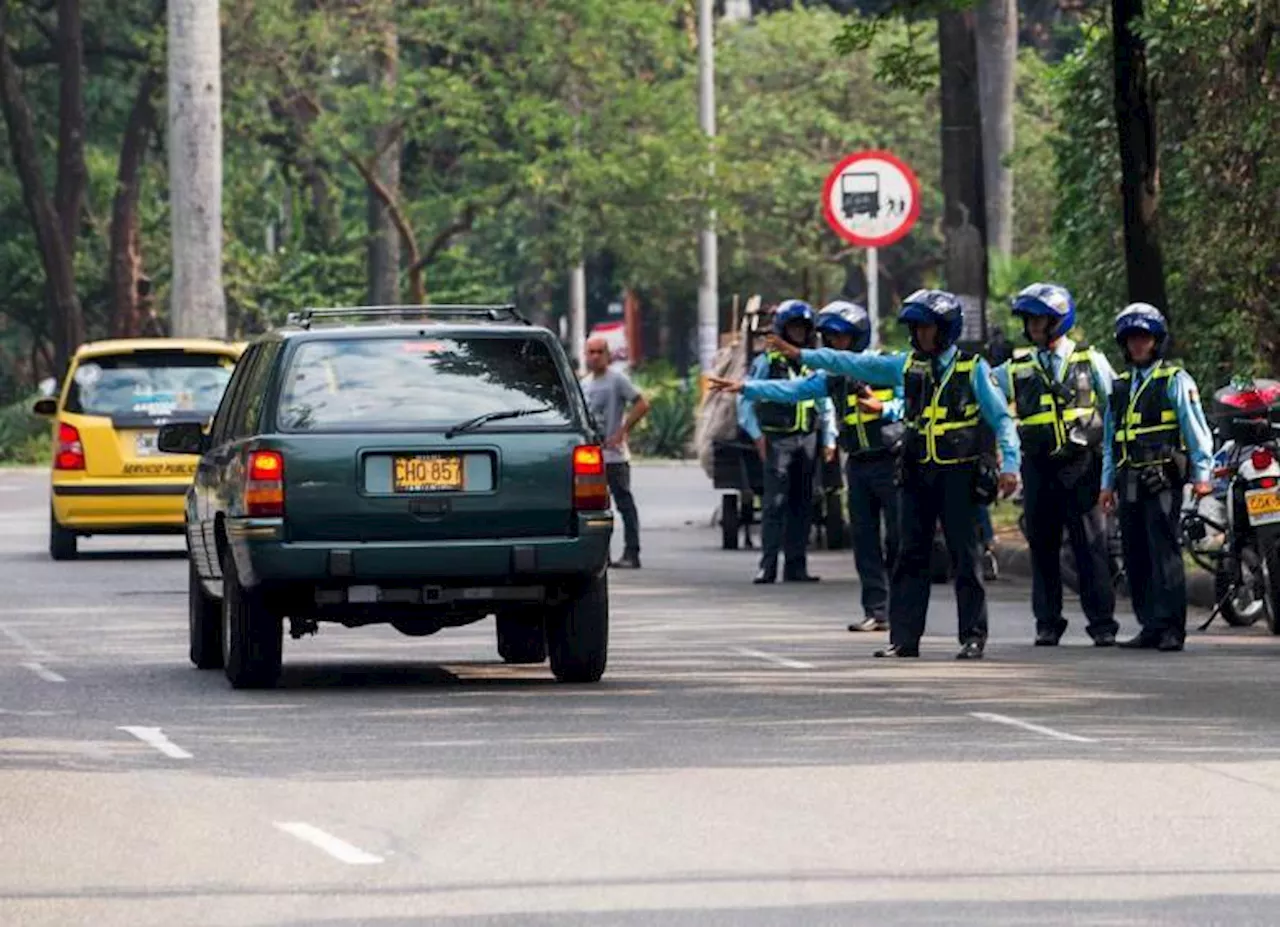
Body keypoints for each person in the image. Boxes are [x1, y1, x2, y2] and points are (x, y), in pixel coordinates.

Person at [755, 289, 1020, 660]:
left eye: (926, 328)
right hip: (915, 473)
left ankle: (972, 636)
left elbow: (1002, 419)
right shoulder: (906, 365)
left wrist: (1010, 464)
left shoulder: (971, 369)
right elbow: (851, 363)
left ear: (944, 329)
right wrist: (803, 355)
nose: (920, 336)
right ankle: (904, 639)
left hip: (959, 475)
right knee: (909, 555)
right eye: (916, 329)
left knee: (965, 558)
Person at [713, 301, 902, 630]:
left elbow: (909, 402)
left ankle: (904, 612)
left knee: (899, 539)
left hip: (893, 461)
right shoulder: (832, 377)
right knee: (864, 541)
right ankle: (877, 611)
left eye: (840, 338)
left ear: (858, 337)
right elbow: (793, 390)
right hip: (857, 464)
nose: (833, 344)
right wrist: (747, 387)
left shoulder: (885, 365)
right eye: (828, 338)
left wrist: (882, 408)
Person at [992, 283, 1121, 647]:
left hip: (1082, 466)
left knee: (1090, 547)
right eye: (1029, 320)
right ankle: (1047, 622)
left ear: (1059, 320)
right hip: (1038, 468)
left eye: (1040, 320)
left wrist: (1113, 465)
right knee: (1043, 547)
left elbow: (1115, 406)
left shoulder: (1089, 360)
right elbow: (984, 391)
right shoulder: (1017, 367)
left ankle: (1102, 625)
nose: (1033, 327)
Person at [1099, 303, 1214, 651]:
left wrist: (1202, 474)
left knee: (1164, 551)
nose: (1137, 345)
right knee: (1135, 553)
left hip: (1163, 479)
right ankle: (1149, 623)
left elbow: (1196, 430)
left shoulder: (1174, 380)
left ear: (1156, 341)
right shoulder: (1119, 388)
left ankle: (1170, 628)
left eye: (1144, 338)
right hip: (1127, 480)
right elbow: (1109, 441)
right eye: (1132, 339)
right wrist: (1106, 484)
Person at [737, 300, 837, 584]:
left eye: (803, 329)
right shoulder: (766, 362)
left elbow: (824, 401)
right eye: (793, 328)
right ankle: (767, 566)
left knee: (803, 503)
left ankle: (797, 566)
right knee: (774, 504)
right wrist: (757, 437)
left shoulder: (813, 362)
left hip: (807, 439)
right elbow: (745, 401)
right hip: (777, 440)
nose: (798, 333)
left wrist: (829, 438)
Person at [581, 335, 651, 569]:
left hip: (615, 456)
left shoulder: (617, 380)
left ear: (608, 355)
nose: (595, 357)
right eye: (591, 352)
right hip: (591, 458)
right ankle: (602, 555)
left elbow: (641, 403)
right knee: (596, 508)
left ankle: (632, 552)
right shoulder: (584, 384)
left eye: (600, 352)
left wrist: (623, 430)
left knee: (624, 504)